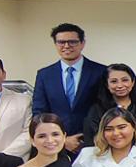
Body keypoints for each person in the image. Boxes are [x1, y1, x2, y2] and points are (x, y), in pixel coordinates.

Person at [32, 23, 107, 153]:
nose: (66, 46)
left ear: (82, 43)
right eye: (61, 42)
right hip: (56, 145)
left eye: (72, 42)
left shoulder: (100, 72)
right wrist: (62, 140)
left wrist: (87, 138)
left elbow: (105, 107)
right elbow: (39, 112)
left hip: (94, 143)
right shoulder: (44, 75)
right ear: (55, 44)